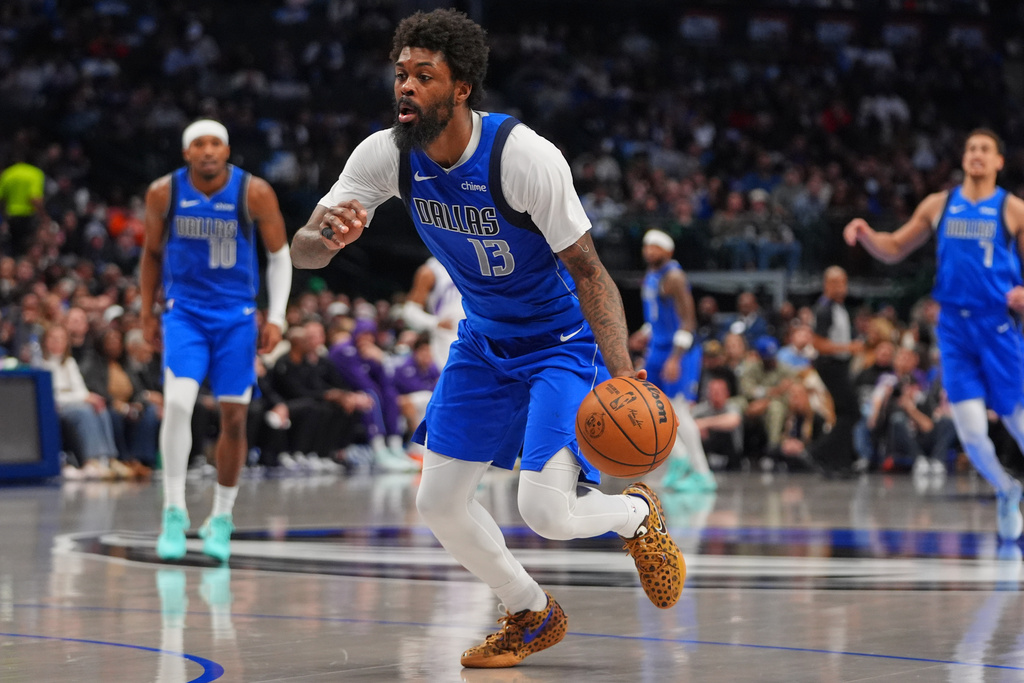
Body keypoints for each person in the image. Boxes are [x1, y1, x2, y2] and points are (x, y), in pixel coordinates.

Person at [290, 9, 684, 669]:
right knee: (438, 501)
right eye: (401, 74)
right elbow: (302, 250)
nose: (406, 87)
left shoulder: (523, 157)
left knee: (546, 509)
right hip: (483, 343)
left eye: (424, 75)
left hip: (560, 339)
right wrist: (326, 237)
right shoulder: (386, 155)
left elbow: (590, 272)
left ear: (461, 88)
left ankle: (634, 515)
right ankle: (531, 611)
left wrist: (622, 372)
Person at [844, 128, 1024, 539]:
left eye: (985, 150)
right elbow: (893, 247)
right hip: (954, 328)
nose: (976, 154)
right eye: (971, 148)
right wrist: (867, 235)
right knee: (973, 434)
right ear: (963, 159)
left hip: (998, 327)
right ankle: (1007, 489)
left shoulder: (1012, 209)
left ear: (999, 161)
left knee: (1018, 422)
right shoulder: (940, 204)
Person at [140, 119, 292, 562]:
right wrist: (146, 311)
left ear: (227, 151)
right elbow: (150, 254)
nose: (208, 150)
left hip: (236, 318)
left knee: (234, 419)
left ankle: (222, 517)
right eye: (199, 144)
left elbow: (279, 257)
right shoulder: (163, 192)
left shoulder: (255, 192)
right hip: (183, 313)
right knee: (180, 404)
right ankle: (173, 511)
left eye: (216, 143)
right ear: (187, 153)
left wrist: (277, 316)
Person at [630, 229, 715, 493]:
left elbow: (688, 322)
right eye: (646, 246)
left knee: (679, 411)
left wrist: (676, 358)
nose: (649, 251)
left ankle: (702, 473)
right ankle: (677, 457)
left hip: (678, 351)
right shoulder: (651, 276)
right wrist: (644, 333)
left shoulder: (674, 277)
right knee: (654, 410)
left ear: (668, 251)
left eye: (655, 247)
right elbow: (658, 315)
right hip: (657, 347)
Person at [809, 266, 863, 476]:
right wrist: (849, 347)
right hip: (830, 365)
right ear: (827, 284)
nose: (842, 287)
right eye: (837, 282)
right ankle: (818, 452)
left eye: (844, 282)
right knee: (852, 412)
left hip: (840, 364)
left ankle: (840, 462)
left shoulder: (839, 308)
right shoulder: (825, 309)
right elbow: (818, 343)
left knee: (844, 414)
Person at [396, 256, 465, 368]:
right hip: (447, 341)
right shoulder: (432, 270)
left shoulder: (477, 260)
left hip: (478, 336)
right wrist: (435, 323)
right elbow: (409, 312)